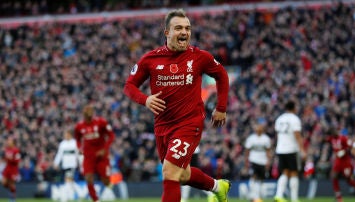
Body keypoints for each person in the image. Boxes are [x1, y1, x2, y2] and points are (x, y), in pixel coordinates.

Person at [123, 8, 230, 202]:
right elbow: (129, 86)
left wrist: (221, 108)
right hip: (163, 126)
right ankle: (217, 186)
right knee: (181, 174)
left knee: (170, 172)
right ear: (167, 33)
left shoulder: (199, 57)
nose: (184, 32)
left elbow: (221, 75)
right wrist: (145, 99)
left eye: (187, 28)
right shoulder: (150, 59)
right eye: (178, 28)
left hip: (189, 123)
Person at [74, 104, 115, 202]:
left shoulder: (101, 122)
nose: (88, 117)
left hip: (101, 156)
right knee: (88, 177)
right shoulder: (79, 126)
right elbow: (78, 139)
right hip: (88, 156)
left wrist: (105, 149)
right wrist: (79, 148)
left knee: (106, 181)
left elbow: (111, 136)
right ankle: (95, 200)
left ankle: (109, 189)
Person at [274, 100, 305, 202]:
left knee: (285, 172)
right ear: (294, 108)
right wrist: (302, 150)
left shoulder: (279, 119)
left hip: (280, 149)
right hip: (291, 149)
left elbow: (277, 135)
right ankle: (294, 199)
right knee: (294, 173)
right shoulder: (295, 119)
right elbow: (297, 135)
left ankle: (278, 195)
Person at [326, 127, 355, 202]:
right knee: (334, 176)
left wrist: (344, 151)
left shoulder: (343, 138)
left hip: (345, 162)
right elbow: (325, 139)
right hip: (338, 161)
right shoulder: (331, 139)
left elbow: (351, 146)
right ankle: (339, 197)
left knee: (349, 180)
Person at [244, 123, 272, 202]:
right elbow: (247, 151)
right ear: (255, 129)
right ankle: (253, 196)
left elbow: (268, 151)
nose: (259, 129)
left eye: (260, 128)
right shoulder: (251, 138)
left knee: (261, 179)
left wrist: (268, 162)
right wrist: (246, 162)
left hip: (263, 161)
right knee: (253, 177)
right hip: (253, 160)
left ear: (262, 129)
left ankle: (258, 196)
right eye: (257, 128)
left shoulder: (266, 139)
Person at [1, 136, 21, 202]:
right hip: (7, 168)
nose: (8, 142)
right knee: (3, 182)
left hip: (13, 169)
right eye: (8, 140)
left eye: (10, 140)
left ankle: (12, 199)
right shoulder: (7, 149)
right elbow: (5, 158)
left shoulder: (16, 150)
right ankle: (11, 191)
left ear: (13, 142)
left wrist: (11, 159)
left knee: (12, 184)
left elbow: (18, 160)